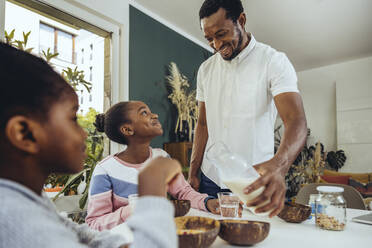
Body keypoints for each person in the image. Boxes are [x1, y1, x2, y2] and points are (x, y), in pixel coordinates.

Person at [0, 42, 181, 248]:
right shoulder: (14, 220)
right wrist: (152, 188)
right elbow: (94, 223)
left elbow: (79, 234)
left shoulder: (27, 201)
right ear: (25, 133)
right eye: (73, 118)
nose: (84, 132)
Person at [188, 0, 308, 217]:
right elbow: (203, 124)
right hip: (210, 178)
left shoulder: (273, 61)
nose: (216, 45)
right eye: (209, 38)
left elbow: (295, 120)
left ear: (241, 21)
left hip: (252, 180)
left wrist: (279, 166)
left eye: (221, 34)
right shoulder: (205, 70)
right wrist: (194, 170)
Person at [85, 101, 219, 230]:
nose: (155, 115)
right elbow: (94, 223)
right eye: (144, 113)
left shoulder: (161, 158)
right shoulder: (105, 170)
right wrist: (132, 209)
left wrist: (207, 202)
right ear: (127, 130)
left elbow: (184, 192)